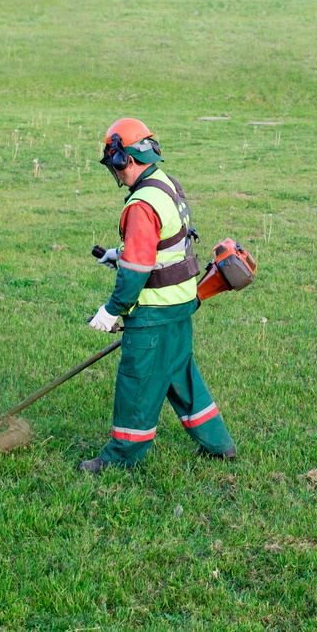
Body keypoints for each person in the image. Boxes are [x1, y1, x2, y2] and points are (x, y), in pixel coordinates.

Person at [80, 118, 237, 473]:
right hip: (181, 304)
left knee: (137, 383)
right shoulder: (165, 184)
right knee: (182, 378)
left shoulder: (140, 205)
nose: (116, 173)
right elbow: (163, 246)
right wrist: (119, 254)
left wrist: (111, 310)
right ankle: (220, 444)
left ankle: (120, 457)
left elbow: (138, 271)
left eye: (115, 166)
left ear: (125, 159)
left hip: (153, 315)